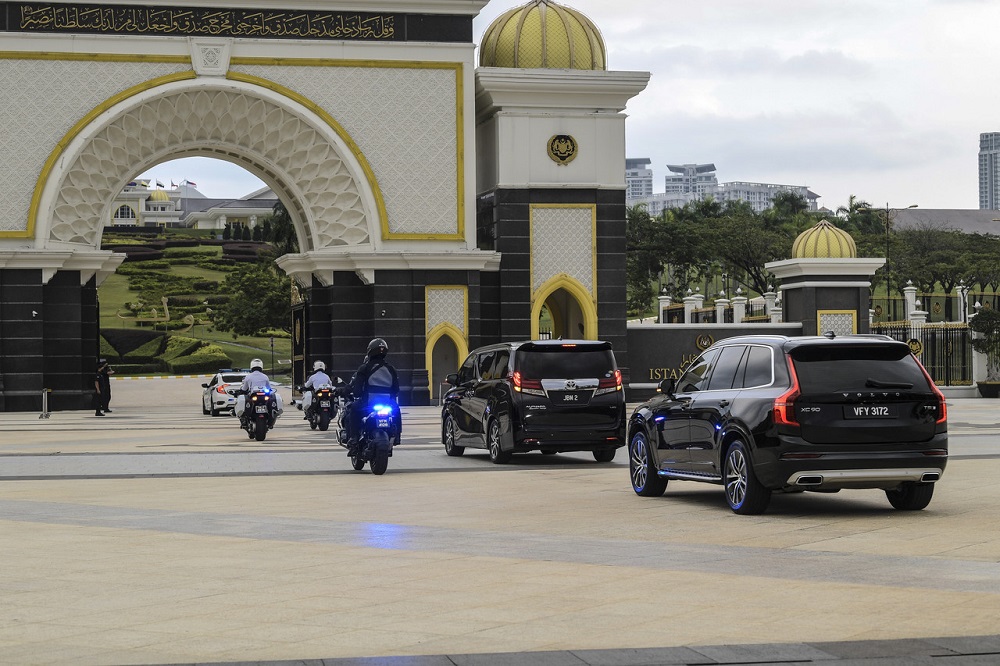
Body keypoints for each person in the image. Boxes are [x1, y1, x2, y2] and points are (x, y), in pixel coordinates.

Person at [339, 338, 400, 455]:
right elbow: (396, 390)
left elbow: (356, 391)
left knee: (353, 410)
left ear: (370, 351)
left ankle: (354, 440)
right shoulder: (391, 369)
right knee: (397, 411)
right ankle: (397, 436)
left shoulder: (364, 368)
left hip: (368, 404)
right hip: (387, 404)